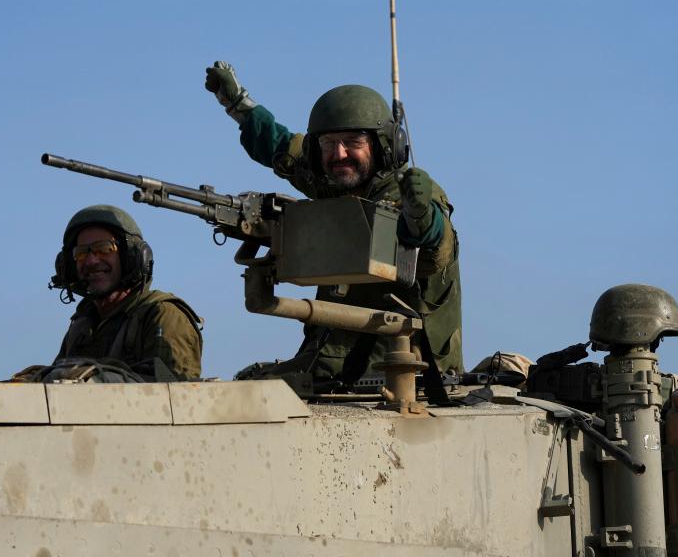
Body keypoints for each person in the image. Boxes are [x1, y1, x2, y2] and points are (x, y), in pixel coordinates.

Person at [205, 61, 462, 390]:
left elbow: (434, 249)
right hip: (329, 368)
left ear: (384, 146)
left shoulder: (406, 197)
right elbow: (280, 146)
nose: (339, 154)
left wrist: (420, 216)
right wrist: (237, 102)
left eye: (353, 141)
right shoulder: (336, 183)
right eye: (328, 143)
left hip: (403, 373)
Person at [49, 204, 203, 381]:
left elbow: (176, 397)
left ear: (131, 256)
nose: (91, 261)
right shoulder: (82, 325)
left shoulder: (163, 315)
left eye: (104, 248)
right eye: (82, 253)